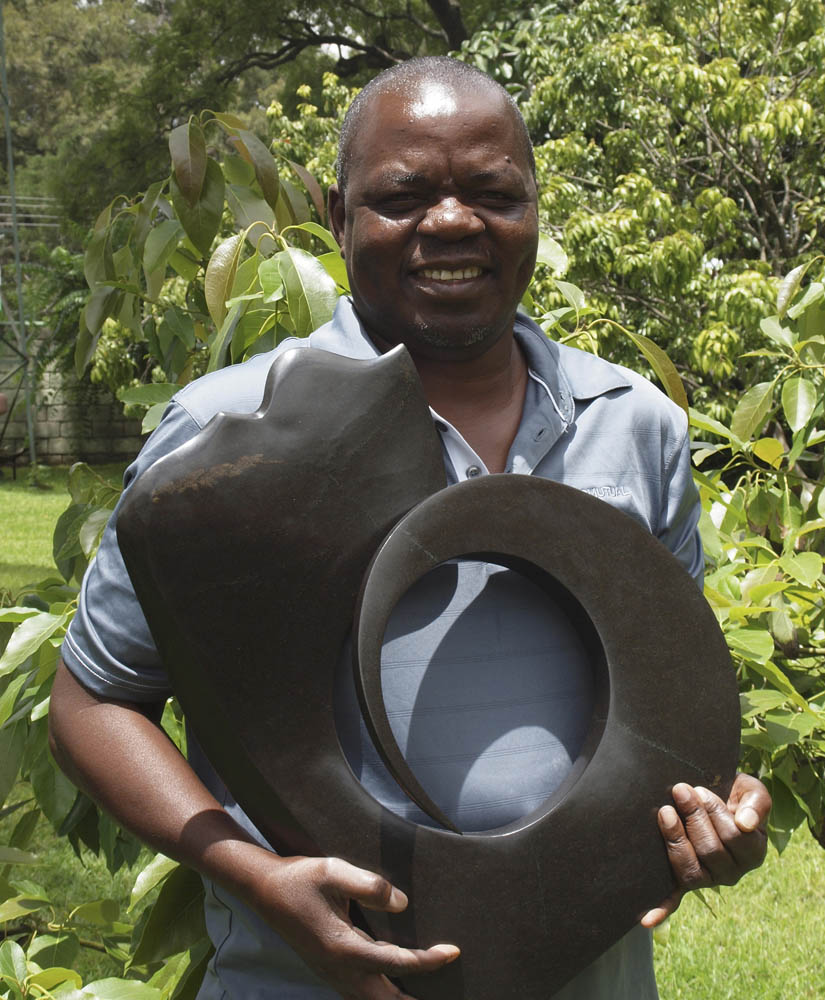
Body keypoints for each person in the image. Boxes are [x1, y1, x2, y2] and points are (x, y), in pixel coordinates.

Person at [49, 57, 770, 1000]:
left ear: (533, 211)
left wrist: (719, 811)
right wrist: (254, 876)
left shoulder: (631, 421)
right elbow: (94, 705)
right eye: (404, 196)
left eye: (491, 192)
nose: (452, 223)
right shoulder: (230, 434)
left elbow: (664, 686)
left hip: (588, 973)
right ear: (340, 214)